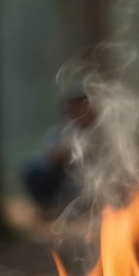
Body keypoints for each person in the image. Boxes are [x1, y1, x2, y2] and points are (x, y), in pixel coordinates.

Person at [22, 87, 96, 215]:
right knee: (32, 168)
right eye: (75, 106)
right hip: (64, 180)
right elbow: (51, 159)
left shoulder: (98, 132)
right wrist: (65, 153)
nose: (79, 110)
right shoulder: (62, 132)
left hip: (90, 183)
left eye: (83, 105)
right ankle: (49, 206)